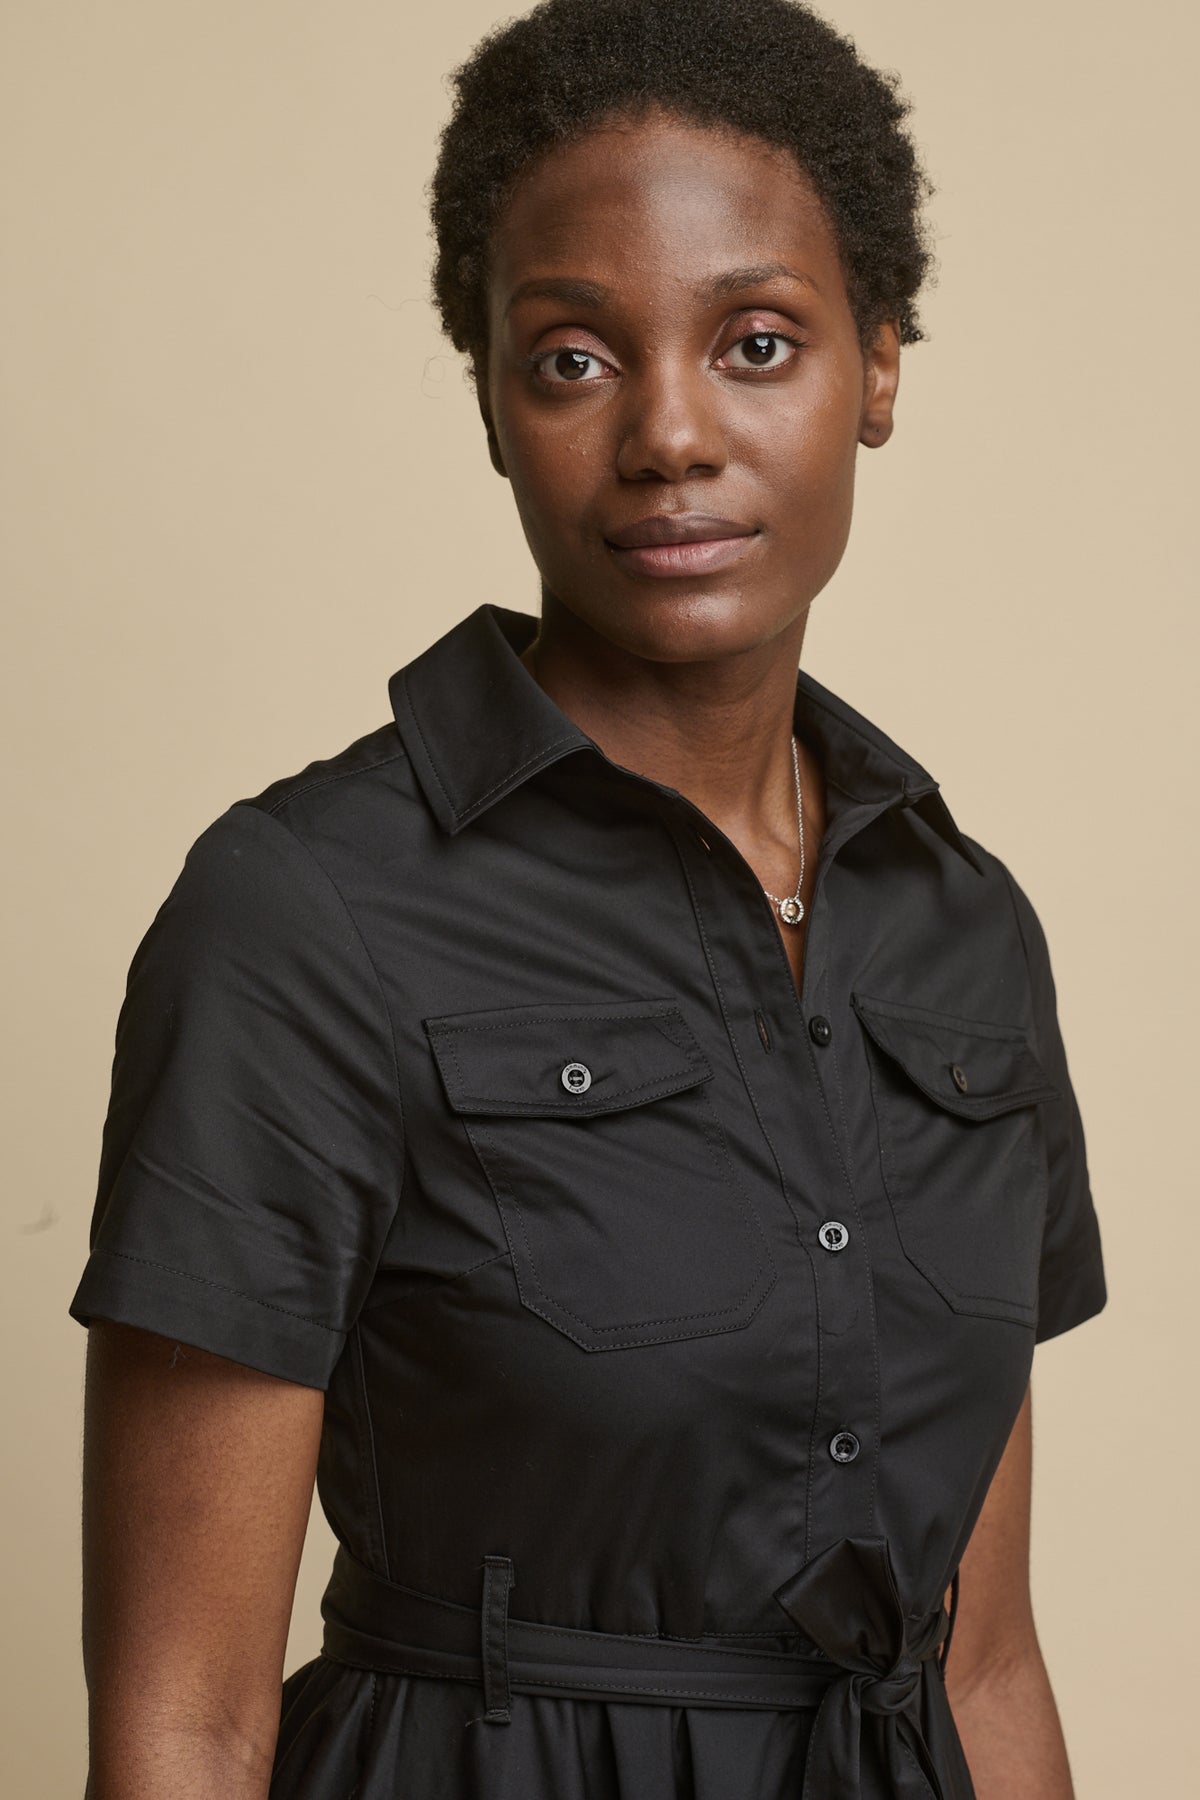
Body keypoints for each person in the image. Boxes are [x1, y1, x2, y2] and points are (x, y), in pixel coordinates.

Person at [68, 2, 1107, 1796]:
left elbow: (989, 1660)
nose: (670, 434)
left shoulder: (967, 927)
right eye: (570, 359)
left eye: (760, 341)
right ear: (488, 401)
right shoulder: (303, 910)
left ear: (878, 368)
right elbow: (186, 1715)